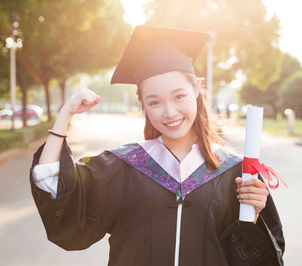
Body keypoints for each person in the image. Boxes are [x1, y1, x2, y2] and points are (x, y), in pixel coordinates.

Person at [29, 26, 284, 266]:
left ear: (196, 88)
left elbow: (258, 254)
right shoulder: (123, 167)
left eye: (179, 96)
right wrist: (65, 115)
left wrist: (255, 214)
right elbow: (56, 194)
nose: (170, 112)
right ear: (144, 105)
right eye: (154, 102)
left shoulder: (233, 171)